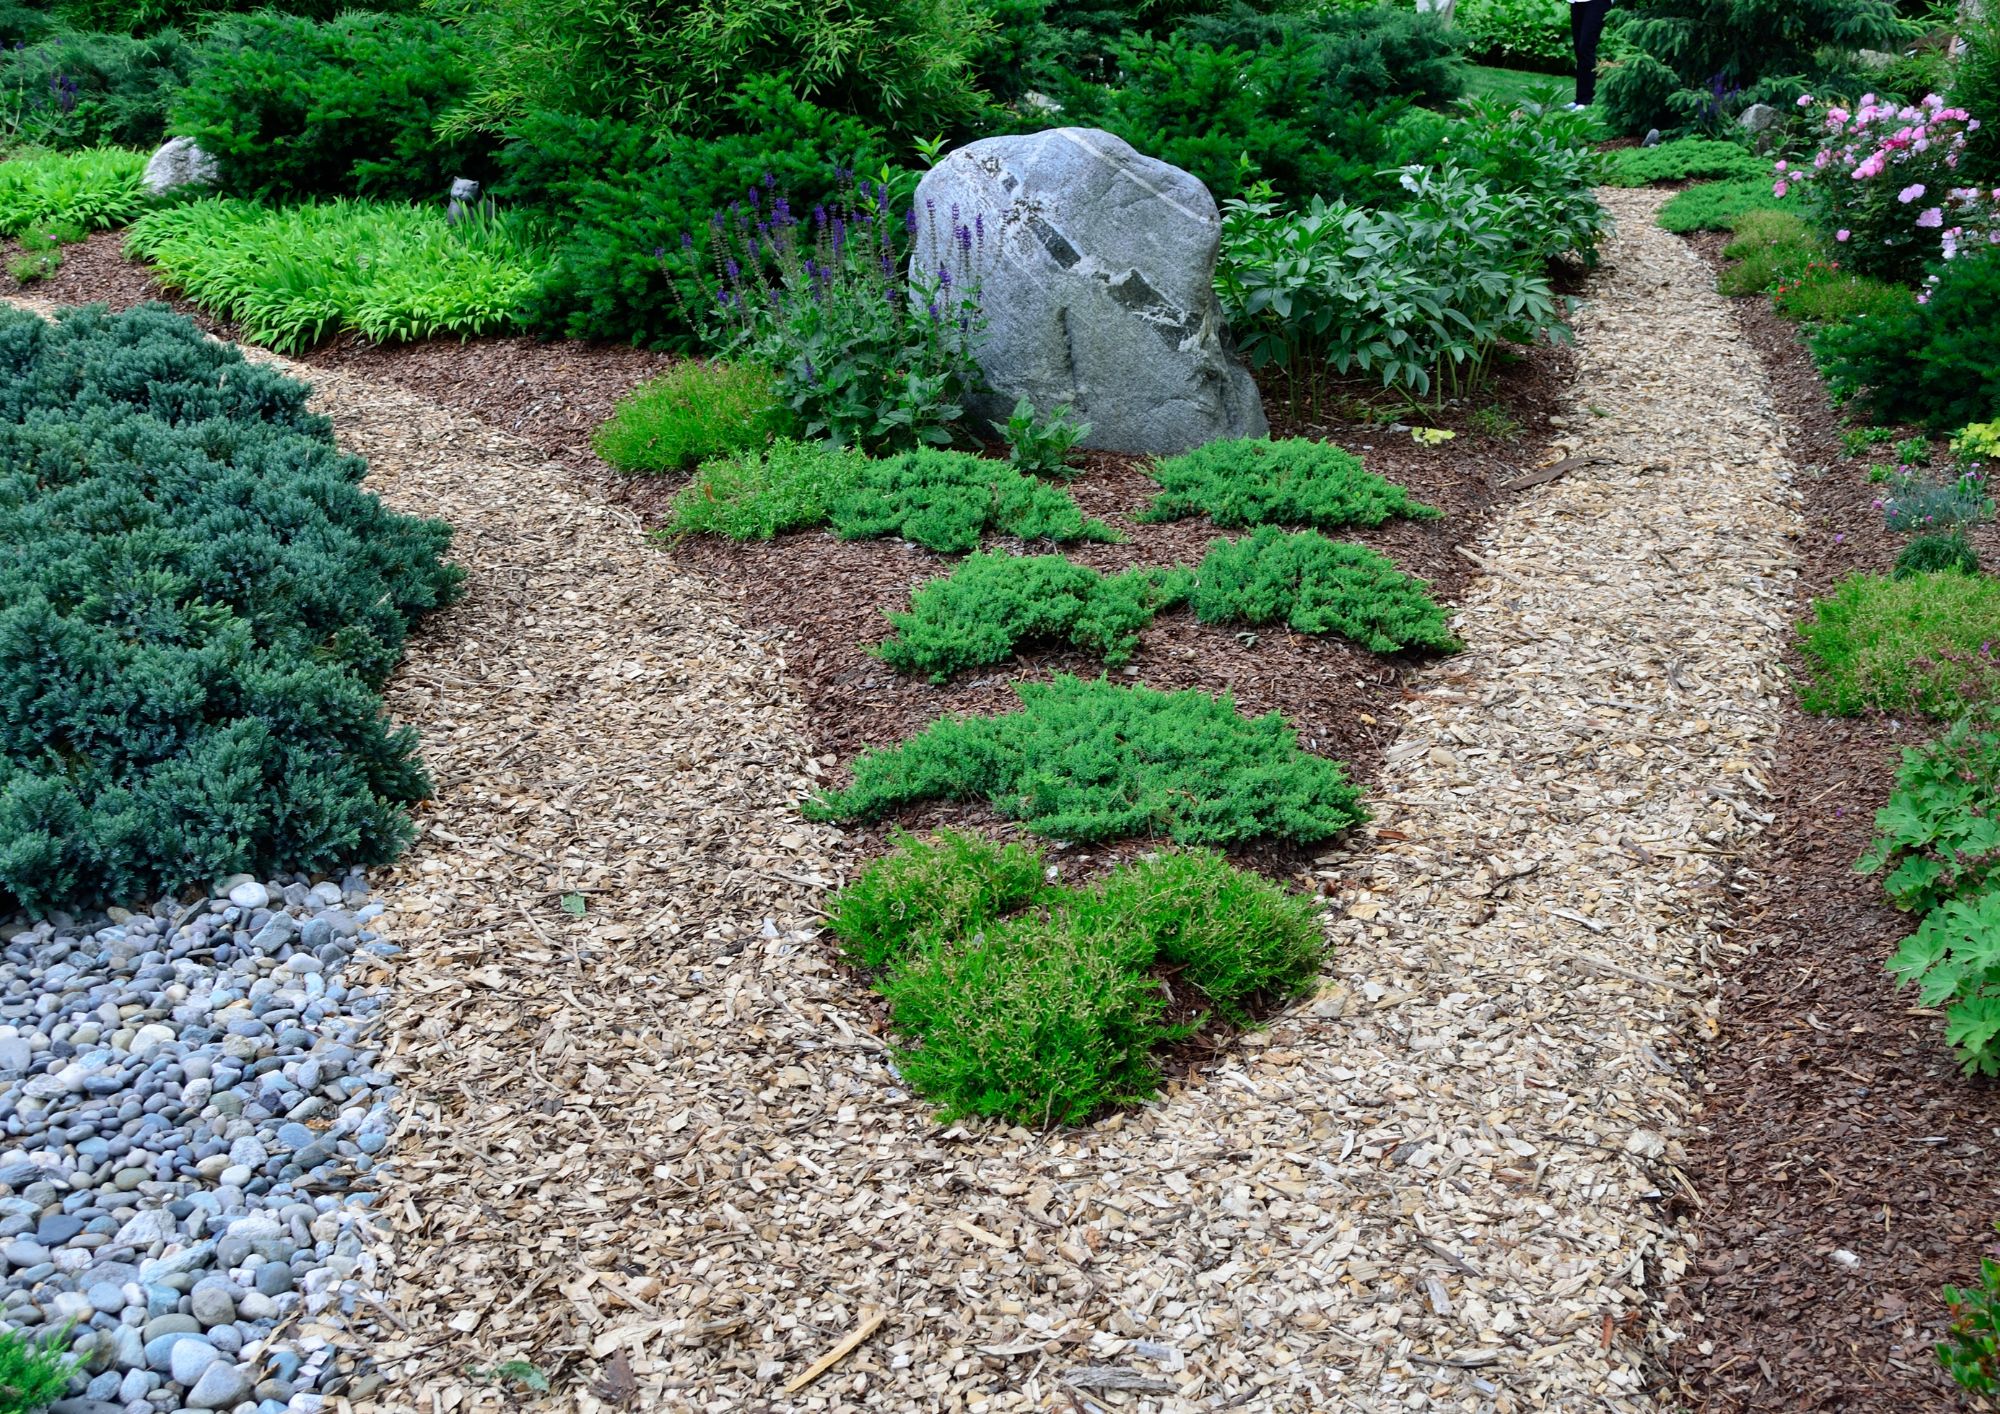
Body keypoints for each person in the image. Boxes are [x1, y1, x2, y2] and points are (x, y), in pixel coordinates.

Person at [1569, 0, 1613, 109]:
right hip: (1577, 2)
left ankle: (1586, 100)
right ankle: (1579, 98)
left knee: (1586, 47)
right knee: (1579, 50)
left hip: (1597, 3)